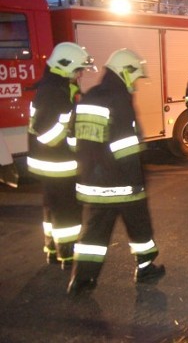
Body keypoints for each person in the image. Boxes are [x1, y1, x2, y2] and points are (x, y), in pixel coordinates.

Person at [68, 48, 165, 295]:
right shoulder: (119, 99)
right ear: (125, 72)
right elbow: (125, 147)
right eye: (134, 77)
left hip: (92, 181)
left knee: (94, 233)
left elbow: (72, 139)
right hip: (122, 183)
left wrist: (89, 164)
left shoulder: (89, 96)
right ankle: (145, 268)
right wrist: (137, 181)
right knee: (139, 226)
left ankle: (81, 280)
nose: (135, 83)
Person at [27, 42, 94, 269]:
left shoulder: (55, 88)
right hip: (58, 164)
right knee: (66, 211)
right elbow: (47, 136)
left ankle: (52, 249)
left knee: (52, 208)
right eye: (78, 70)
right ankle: (66, 254)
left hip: (52, 164)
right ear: (65, 68)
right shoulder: (53, 93)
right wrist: (68, 117)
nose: (81, 74)